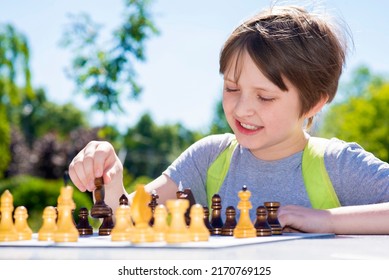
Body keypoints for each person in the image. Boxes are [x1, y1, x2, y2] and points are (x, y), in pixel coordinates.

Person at [68, 5, 389, 234]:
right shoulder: (209, 158)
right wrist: (110, 182)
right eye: (232, 88)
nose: (242, 109)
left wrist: (328, 220)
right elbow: (128, 219)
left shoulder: (338, 165)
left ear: (313, 103)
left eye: (265, 97)